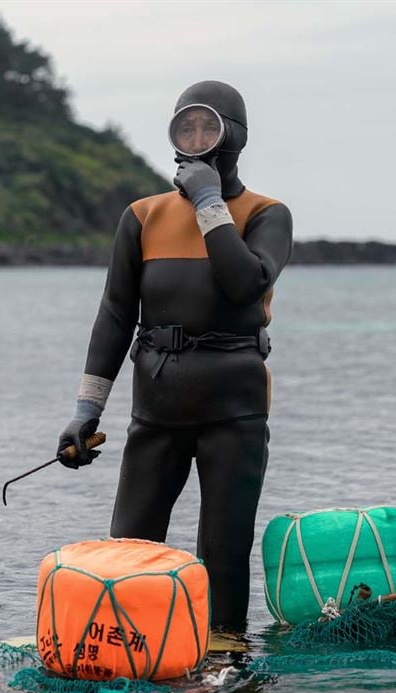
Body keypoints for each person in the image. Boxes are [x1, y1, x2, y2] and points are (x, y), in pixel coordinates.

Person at [56, 80, 293, 630]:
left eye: (208, 126)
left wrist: (210, 202)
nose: (196, 137)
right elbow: (115, 316)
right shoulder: (142, 216)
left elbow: (243, 283)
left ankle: (228, 673)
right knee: (130, 548)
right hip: (157, 407)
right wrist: (86, 410)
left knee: (223, 551)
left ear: (233, 136)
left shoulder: (267, 214)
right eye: (185, 127)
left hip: (233, 409)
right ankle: (130, 660)